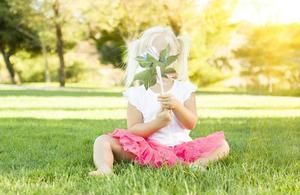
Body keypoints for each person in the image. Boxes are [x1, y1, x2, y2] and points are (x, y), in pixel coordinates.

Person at [89, 26, 229, 176]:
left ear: (174, 56)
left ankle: (198, 164)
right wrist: (157, 123)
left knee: (222, 145)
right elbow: (134, 130)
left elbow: (191, 123)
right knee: (102, 141)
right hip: (149, 149)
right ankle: (105, 169)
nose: (158, 62)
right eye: (152, 56)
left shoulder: (185, 89)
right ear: (143, 58)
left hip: (182, 149)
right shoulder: (137, 94)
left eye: (164, 55)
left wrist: (177, 106)